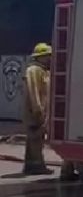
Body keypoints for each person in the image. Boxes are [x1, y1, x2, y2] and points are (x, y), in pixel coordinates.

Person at [22, 42, 53, 175]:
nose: (50, 58)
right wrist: (38, 110)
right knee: (35, 140)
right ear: (40, 56)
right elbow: (33, 91)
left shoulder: (43, 71)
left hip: (39, 111)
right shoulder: (34, 70)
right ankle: (37, 166)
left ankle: (30, 166)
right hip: (35, 113)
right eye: (47, 55)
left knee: (34, 140)